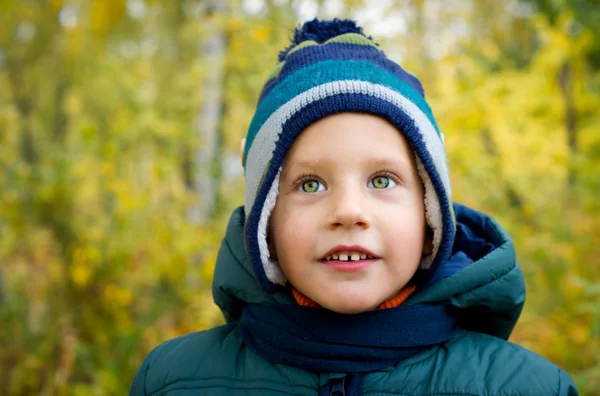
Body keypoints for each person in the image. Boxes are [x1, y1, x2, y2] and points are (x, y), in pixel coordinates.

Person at [129, 18, 578, 395]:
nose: (348, 211)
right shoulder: (173, 380)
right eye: (309, 184)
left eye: (382, 180)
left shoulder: (526, 386)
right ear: (265, 224)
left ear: (430, 217)